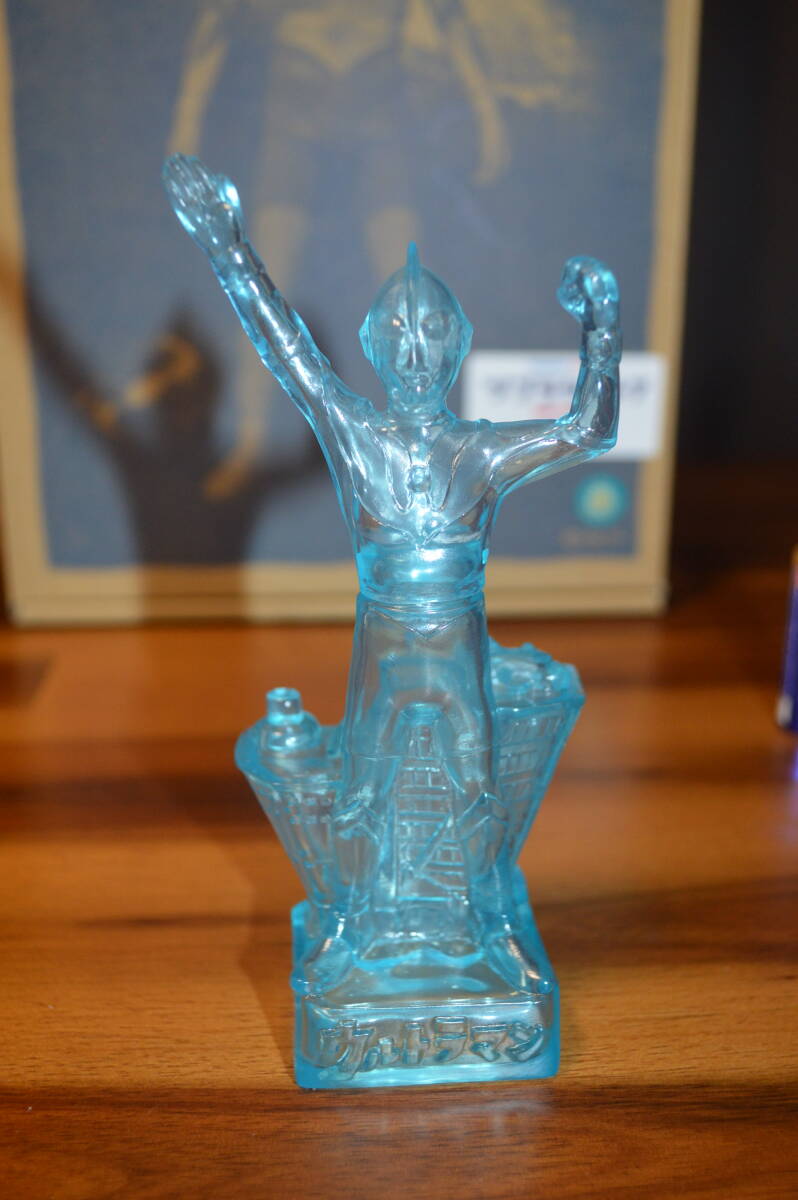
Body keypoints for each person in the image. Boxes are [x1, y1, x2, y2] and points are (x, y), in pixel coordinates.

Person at [163, 154, 621, 993]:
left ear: (456, 348)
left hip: (456, 653)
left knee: (479, 791)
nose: (415, 354)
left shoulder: (479, 453)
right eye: (400, 337)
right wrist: (229, 247)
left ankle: (487, 929)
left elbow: (588, 430)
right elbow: (288, 350)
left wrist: (602, 327)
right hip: (385, 652)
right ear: (377, 347)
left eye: (432, 337)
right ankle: (352, 926)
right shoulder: (356, 437)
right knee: (359, 793)